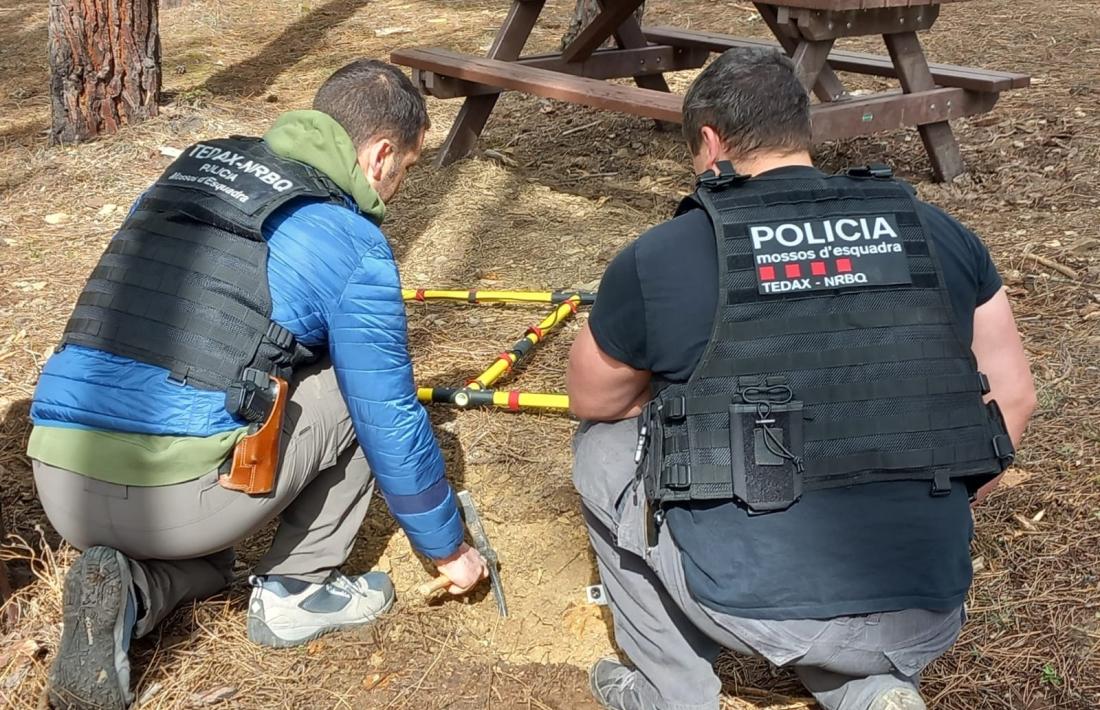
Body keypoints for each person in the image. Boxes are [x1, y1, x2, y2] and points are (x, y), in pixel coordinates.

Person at [566, 48, 1036, 710]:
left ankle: (670, 693)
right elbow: (1014, 397)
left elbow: (591, 398)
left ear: (709, 140)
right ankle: (872, 689)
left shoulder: (661, 257)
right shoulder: (939, 234)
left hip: (748, 603)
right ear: (801, 129)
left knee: (602, 447)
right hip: (926, 602)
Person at [28, 59, 488, 710]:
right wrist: (447, 549)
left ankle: (128, 587)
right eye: (406, 170)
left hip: (60, 478)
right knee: (353, 386)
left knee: (216, 564)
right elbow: (386, 413)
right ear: (381, 154)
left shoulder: (194, 164)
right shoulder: (352, 240)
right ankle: (296, 593)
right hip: (172, 503)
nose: (397, 188)